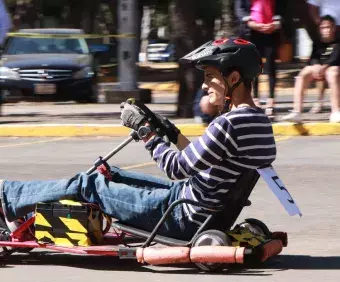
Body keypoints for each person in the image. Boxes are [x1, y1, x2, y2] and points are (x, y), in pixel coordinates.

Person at [0, 38, 276, 241]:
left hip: (181, 217)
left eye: (210, 77)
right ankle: (23, 213)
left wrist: (146, 132)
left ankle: (7, 199)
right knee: (108, 175)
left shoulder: (228, 124)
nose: (204, 86)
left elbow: (176, 169)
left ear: (234, 77)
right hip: (194, 204)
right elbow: (206, 163)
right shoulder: (258, 122)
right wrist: (172, 134)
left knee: (89, 185)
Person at [281, 15, 340, 123]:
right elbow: (313, 57)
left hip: (333, 67)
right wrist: (316, 65)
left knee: (333, 73)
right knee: (302, 75)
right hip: (320, 68)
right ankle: (296, 112)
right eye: (323, 28)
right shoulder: (317, 42)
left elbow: (335, 58)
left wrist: (323, 67)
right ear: (319, 29)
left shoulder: (338, 41)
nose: (326, 30)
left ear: (334, 28)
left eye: (328, 27)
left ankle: (336, 111)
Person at [246, 0, 282, 118]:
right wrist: (250, 22)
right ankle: (255, 100)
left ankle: (270, 102)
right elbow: (240, 9)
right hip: (252, 32)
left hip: (271, 31)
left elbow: (282, 8)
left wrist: (277, 22)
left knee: (271, 67)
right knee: (255, 67)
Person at [306, 0, 340, 114]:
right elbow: (312, 5)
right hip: (328, 27)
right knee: (322, 64)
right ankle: (319, 101)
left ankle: (336, 104)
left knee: (335, 68)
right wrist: (320, 23)